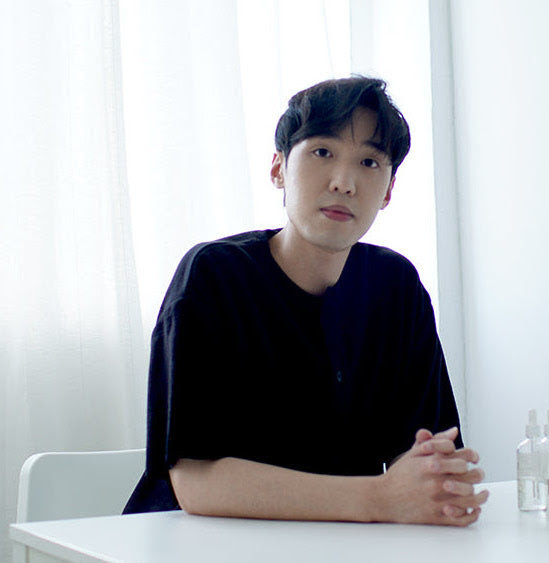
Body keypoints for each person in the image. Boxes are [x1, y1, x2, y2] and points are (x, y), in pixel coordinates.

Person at [124, 76, 488, 526]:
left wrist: (437, 487)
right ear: (278, 168)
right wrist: (378, 499)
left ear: (389, 191)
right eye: (322, 153)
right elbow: (197, 482)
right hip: (197, 542)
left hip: (340, 542)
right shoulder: (213, 275)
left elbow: (424, 458)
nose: (344, 182)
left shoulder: (396, 287)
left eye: (370, 163)